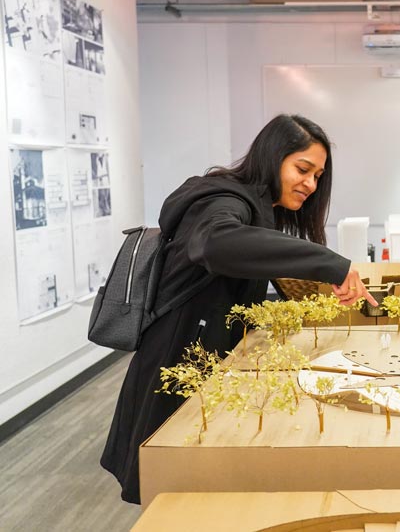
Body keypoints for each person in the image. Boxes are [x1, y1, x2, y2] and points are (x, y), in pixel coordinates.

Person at [101, 114, 375, 504]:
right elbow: (216, 244)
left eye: (317, 176)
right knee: (173, 494)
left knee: (197, 494)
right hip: (177, 361)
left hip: (204, 361)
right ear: (273, 156)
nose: (311, 185)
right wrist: (331, 263)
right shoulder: (223, 200)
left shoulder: (253, 207)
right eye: (303, 169)